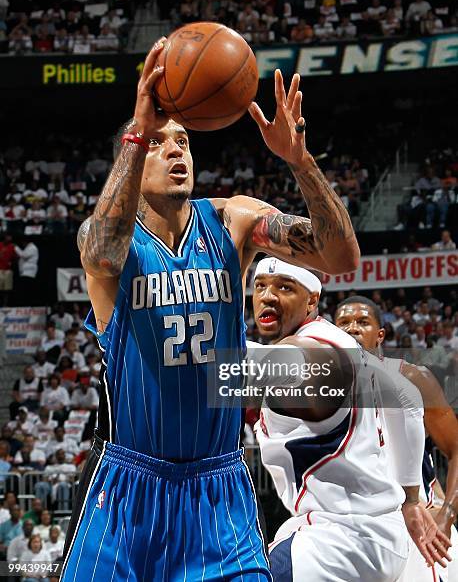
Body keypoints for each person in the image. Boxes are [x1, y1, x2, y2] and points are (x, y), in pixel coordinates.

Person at [61, 39, 359, 581]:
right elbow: (101, 250)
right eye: (159, 144)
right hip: (129, 485)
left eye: (183, 142)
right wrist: (136, 131)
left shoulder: (231, 221)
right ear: (131, 156)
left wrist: (300, 161)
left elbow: (341, 257)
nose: (176, 151)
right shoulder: (110, 239)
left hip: (218, 487)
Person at [250, 258, 451, 581]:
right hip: (382, 529)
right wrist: (411, 497)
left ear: (312, 301)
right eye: (260, 286)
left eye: (284, 287)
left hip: (339, 538)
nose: (268, 296)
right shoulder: (351, 351)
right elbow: (407, 400)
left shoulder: (312, 351)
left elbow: (241, 369)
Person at [335, 295, 458, 582]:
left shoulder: (413, 377)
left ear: (380, 335)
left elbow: (455, 449)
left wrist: (447, 513)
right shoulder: (324, 388)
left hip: (419, 519)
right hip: (359, 524)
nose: (352, 328)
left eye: (362, 322)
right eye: (343, 323)